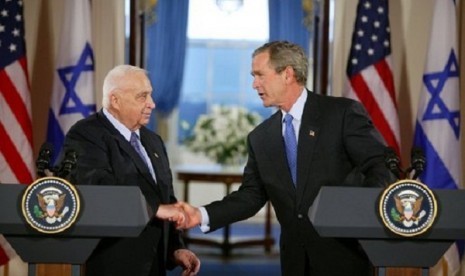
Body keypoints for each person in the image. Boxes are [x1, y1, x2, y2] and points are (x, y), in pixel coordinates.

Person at [175, 41, 395, 276]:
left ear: (287, 73)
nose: (254, 84)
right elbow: (251, 196)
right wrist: (201, 214)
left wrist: (359, 213)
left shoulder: (340, 114)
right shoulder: (261, 137)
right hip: (294, 262)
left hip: (344, 256)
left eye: (260, 75)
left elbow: (381, 165)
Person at [61, 65, 200, 276]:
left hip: (154, 264)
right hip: (113, 263)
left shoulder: (153, 141)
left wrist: (175, 248)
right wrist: (155, 208)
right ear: (115, 100)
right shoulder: (86, 134)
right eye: (142, 97)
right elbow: (98, 189)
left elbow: (167, 198)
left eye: (150, 95)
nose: (152, 104)